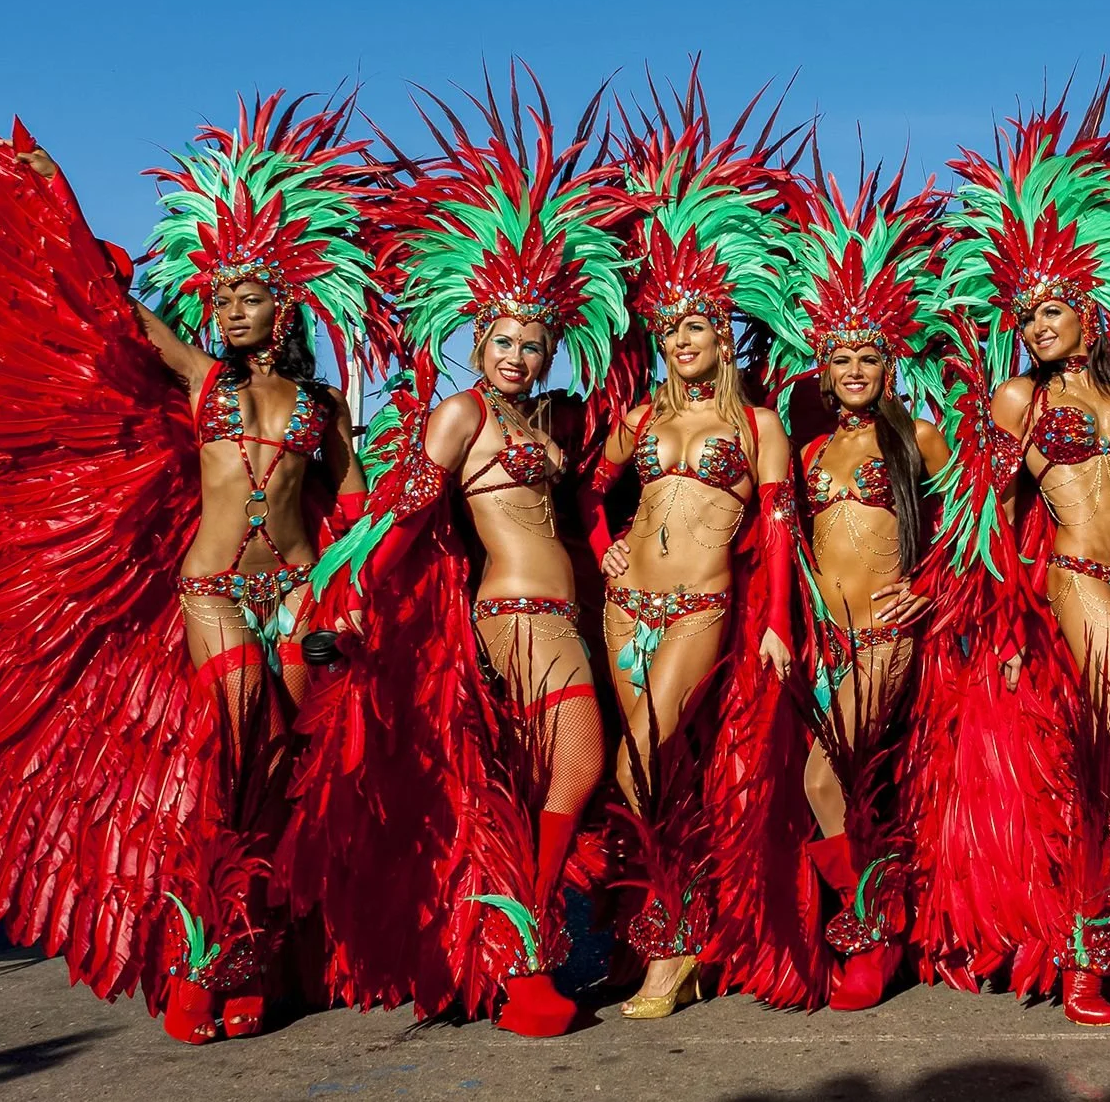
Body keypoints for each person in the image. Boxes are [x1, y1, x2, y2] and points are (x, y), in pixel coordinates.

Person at [0, 38, 376, 1046]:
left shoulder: (322, 404)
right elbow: (113, 313)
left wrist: (352, 595)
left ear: (286, 304)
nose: (233, 308)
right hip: (210, 588)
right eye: (224, 295)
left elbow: (355, 509)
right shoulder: (207, 385)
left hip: (294, 595)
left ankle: (260, 953)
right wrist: (52, 196)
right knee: (229, 758)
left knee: (284, 771)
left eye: (250, 294)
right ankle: (199, 959)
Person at [303, 80, 632, 1035]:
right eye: (503, 339)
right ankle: (526, 954)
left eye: (534, 343)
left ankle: (517, 950)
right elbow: (404, 514)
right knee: (580, 766)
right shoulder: (464, 413)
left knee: (544, 784)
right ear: (475, 336)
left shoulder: (548, 418)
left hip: (569, 613)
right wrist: (351, 596)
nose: (519, 355)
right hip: (517, 614)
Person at [924, 88, 1110, 1025]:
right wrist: (999, 617)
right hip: (1074, 576)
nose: (1037, 327)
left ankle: (1095, 923)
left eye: (1051, 311)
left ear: (1090, 307)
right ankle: (1084, 946)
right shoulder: (1016, 403)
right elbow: (986, 518)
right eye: (1026, 315)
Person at [577, 85, 808, 1016]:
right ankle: (663, 936)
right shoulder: (635, 417)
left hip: (705, 605)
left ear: (724, 334)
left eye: (700, 326)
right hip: (628, 603)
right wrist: (604, 550)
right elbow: (591, 498)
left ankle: (676, 934)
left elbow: (783, 531)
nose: (683, 339)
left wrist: (781, 623)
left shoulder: (759, 426)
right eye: (671, 327)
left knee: (637, 758)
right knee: (664, 775)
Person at [755, 162, 952, 1010]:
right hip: (820, 641)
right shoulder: (805, 452)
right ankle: (875, 917)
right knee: (850, 782)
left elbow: (976, 529)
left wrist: (931, 585)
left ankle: (871, 927)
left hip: (883, 633)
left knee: (823, 777)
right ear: (824, 367)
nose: (857, 367)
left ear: (888, 361)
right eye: (842, 355)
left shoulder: (920, 435)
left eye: (870, 354)